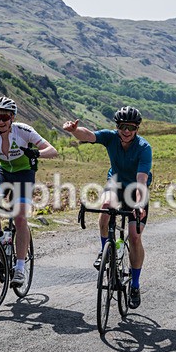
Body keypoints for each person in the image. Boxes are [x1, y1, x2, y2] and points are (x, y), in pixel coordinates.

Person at [62, 106, 152, 309]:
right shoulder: (111, 137)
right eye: (122, 126)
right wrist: (75, 131)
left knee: (135, 235)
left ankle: (135, 285)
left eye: (130, 127)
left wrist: (138, 204)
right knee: (105, 206)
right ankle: (105, 252)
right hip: (116, 182)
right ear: (117, 126)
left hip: (136, 190)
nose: (126, 131)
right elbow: (90, 136)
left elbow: (141, 180)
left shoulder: (144, 148)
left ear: (137, 128)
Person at [0, 96, 58, 287]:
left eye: (4, 117)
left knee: (20, 217)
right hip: (4, 172)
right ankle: (0, 237)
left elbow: (53, 150)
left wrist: (36, 153)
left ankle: (20, 268)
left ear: (12, 118)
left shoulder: (24, 131)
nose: (0, 121)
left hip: (24, 174)